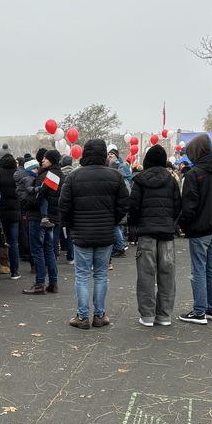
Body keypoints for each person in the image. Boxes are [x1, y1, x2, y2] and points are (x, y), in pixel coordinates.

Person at [59, 139, 129, 329]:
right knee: (101, 275)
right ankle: (99, 315)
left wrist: (71, 224)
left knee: (82, 275)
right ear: (104, 154)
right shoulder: (115, 176)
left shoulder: (74, 177)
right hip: (105, 232)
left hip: (81, 233)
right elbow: (124, 203)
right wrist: (112, 220)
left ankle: (82, 317)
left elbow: (63, 205)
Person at [177, 133, 212, 324]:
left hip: (199, 227)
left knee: (198, 269)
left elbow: (189, 206)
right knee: (211, 268)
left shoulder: (194, 174)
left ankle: (199, 310)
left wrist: (182, 224)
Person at [127, 145, 181, 327]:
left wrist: (134, 226)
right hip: (166, 234)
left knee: (146, 274)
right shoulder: (172, 180)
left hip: (146, 233)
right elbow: (177, 206)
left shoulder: (139, 180)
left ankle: (147, 315)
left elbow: (133, 207)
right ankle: (164, 315)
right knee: (167, 275)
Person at [22, 149, 64, 295]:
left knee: (37, 251)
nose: (42, 161)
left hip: (38, 217)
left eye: (45, 159)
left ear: (51, 160)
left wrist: (26, 203)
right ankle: (53, 283)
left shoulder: (46, 175)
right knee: (49, 251)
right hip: (52, 217)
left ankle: (40, 283)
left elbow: (39, 197)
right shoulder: (60, 175)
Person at [0, 153, 22, 279]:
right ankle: (15, 271)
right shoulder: (17, 173)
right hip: (14, 212)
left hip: (0, 211)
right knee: (14, 242)